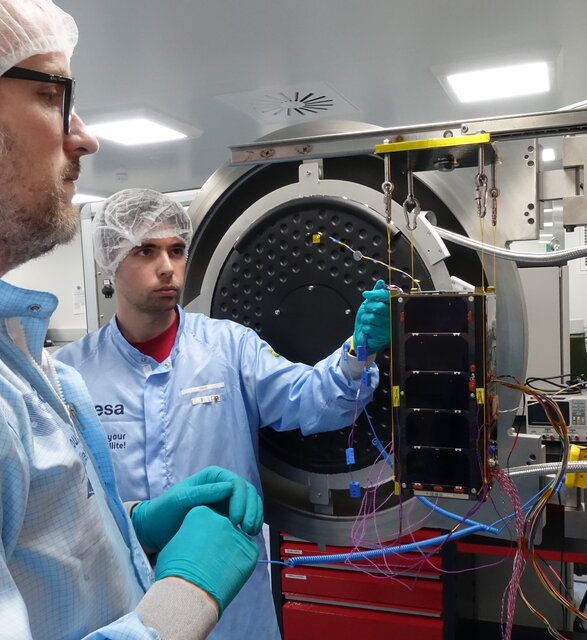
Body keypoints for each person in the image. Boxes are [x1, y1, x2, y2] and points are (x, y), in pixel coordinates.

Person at [0, 1, 261, 639]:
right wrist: (187, 596)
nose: (84, 136)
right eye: (56, 94)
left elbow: (17, 550)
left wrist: (127, 526)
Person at [55, 187, 391, 640]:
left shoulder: (228, 347)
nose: (167, 267)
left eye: (176, 250)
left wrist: (358, 352)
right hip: (124, 589)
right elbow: (65, 503)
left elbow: (309, 399)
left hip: (230, 594)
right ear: (110, 261)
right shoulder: (71, 374)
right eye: (146, 251)